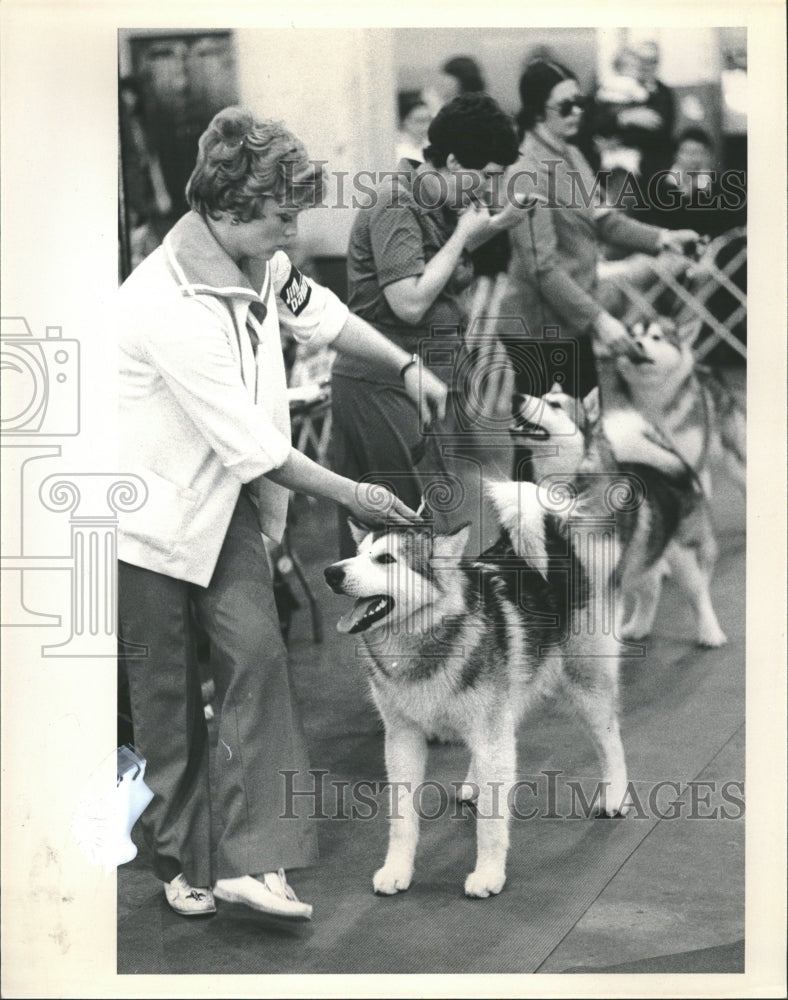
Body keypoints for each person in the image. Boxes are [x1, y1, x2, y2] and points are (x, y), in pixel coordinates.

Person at [116, 106, 447, 921]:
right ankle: (179, 854)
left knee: (256, 657)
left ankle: (253, 859)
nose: (292, 232)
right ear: (228, 207)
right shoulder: (165, 302)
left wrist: (405, 365)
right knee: (164, 696)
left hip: (222, 503)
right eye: (282, 216)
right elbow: (259, 446)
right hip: (140, 515)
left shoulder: (258, 260)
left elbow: (322, 315)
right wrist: (357, 496)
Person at [330, 93, 520, 557]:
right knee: (399, 537)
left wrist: (493, 227)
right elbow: (409, 302)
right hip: (384, 381)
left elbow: (434, 276)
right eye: (488, 176)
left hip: (419, 381)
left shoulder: (434, 203)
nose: (491, 191)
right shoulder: (398, 203)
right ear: (453, 161)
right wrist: (464, 237)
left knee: (416, 532)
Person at [498, 59, 698, 463]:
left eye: (580, 102)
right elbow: (543, 267)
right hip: (538, 330)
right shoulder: (526, 172)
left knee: (582, 445)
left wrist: (663, 239)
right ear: (537, 112)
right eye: (565, 106)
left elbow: (605, 221)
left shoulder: (571, 154)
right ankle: (527, 528)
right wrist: (600, 320)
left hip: (571, 322)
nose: (578, 112)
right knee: (546, 454)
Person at [394, 90, 432, 164]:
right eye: (421, 121)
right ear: (405, 121)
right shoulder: (396, 150)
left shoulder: (431, 147)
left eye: (429, 120)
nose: (427, 126)